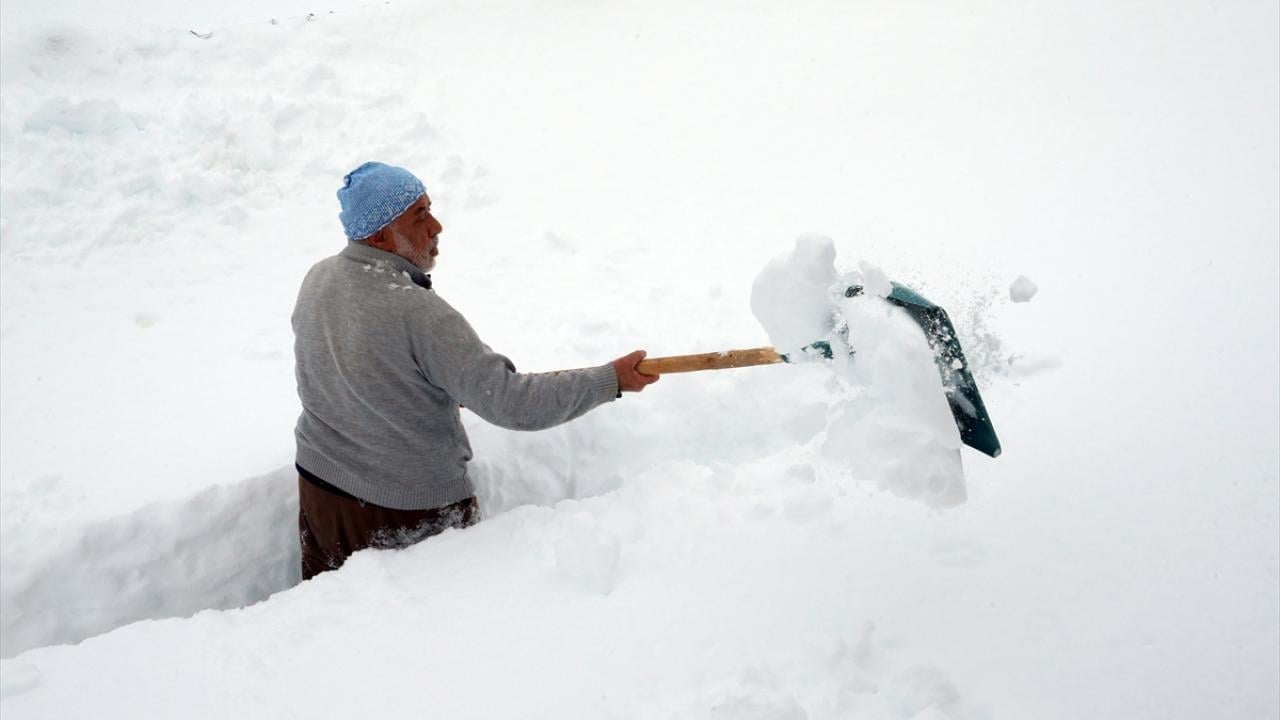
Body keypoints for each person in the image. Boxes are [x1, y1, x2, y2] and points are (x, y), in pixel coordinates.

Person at [292, 161, 658, 580]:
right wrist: (611, 379)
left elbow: (346, 366)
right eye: (419, 216)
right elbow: (511, 403)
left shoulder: (318, 279)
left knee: (328, 630)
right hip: (404, 512)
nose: (437, 226)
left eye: (430, 208)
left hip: (319, 491)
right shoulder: (419, 314)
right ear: (380, 236)